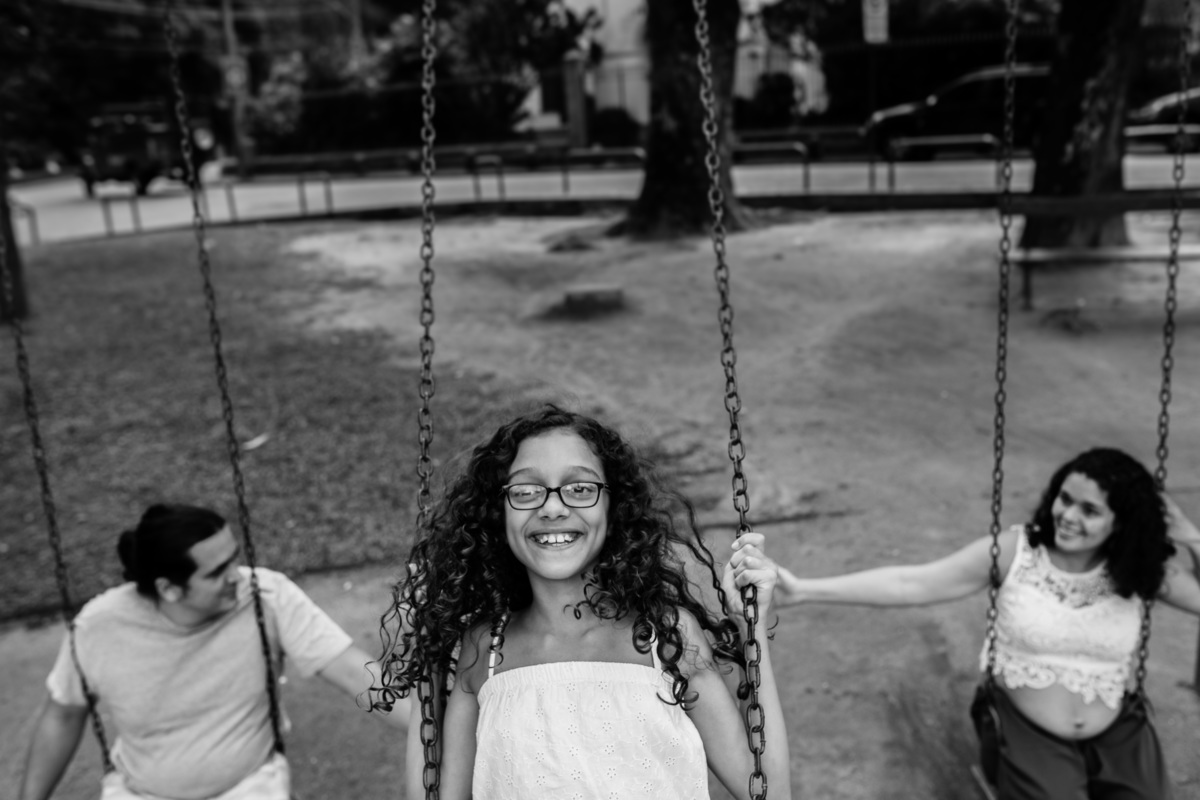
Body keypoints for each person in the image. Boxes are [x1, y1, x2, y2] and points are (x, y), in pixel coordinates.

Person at [372, 404, 791, 800]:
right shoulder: (484, 650)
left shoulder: (666, 636)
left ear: (614, 507)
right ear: (498, 513)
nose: (553, 507)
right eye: (526, 490)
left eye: (580, 488)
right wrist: (428, 646)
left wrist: (749, 627)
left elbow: (767, 791)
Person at [758, 447, 1200, 799]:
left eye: (1090, 510)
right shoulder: (1016, 552)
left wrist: (1193, 539)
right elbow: (913, 583)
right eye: (1065, 499)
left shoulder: (1140, 569)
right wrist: (806, 590)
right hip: (1028, 730)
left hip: (1119, 731)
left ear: (1121, 523)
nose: (1068, 516)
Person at [19, 503, 407, 800]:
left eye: (234, 558)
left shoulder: (265, 596)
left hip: (251, 787)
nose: (237, 575)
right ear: (169, 589)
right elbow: (63, 715)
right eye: (217, 571)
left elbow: (354, 672)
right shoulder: (100, 626)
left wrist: (435, 723)